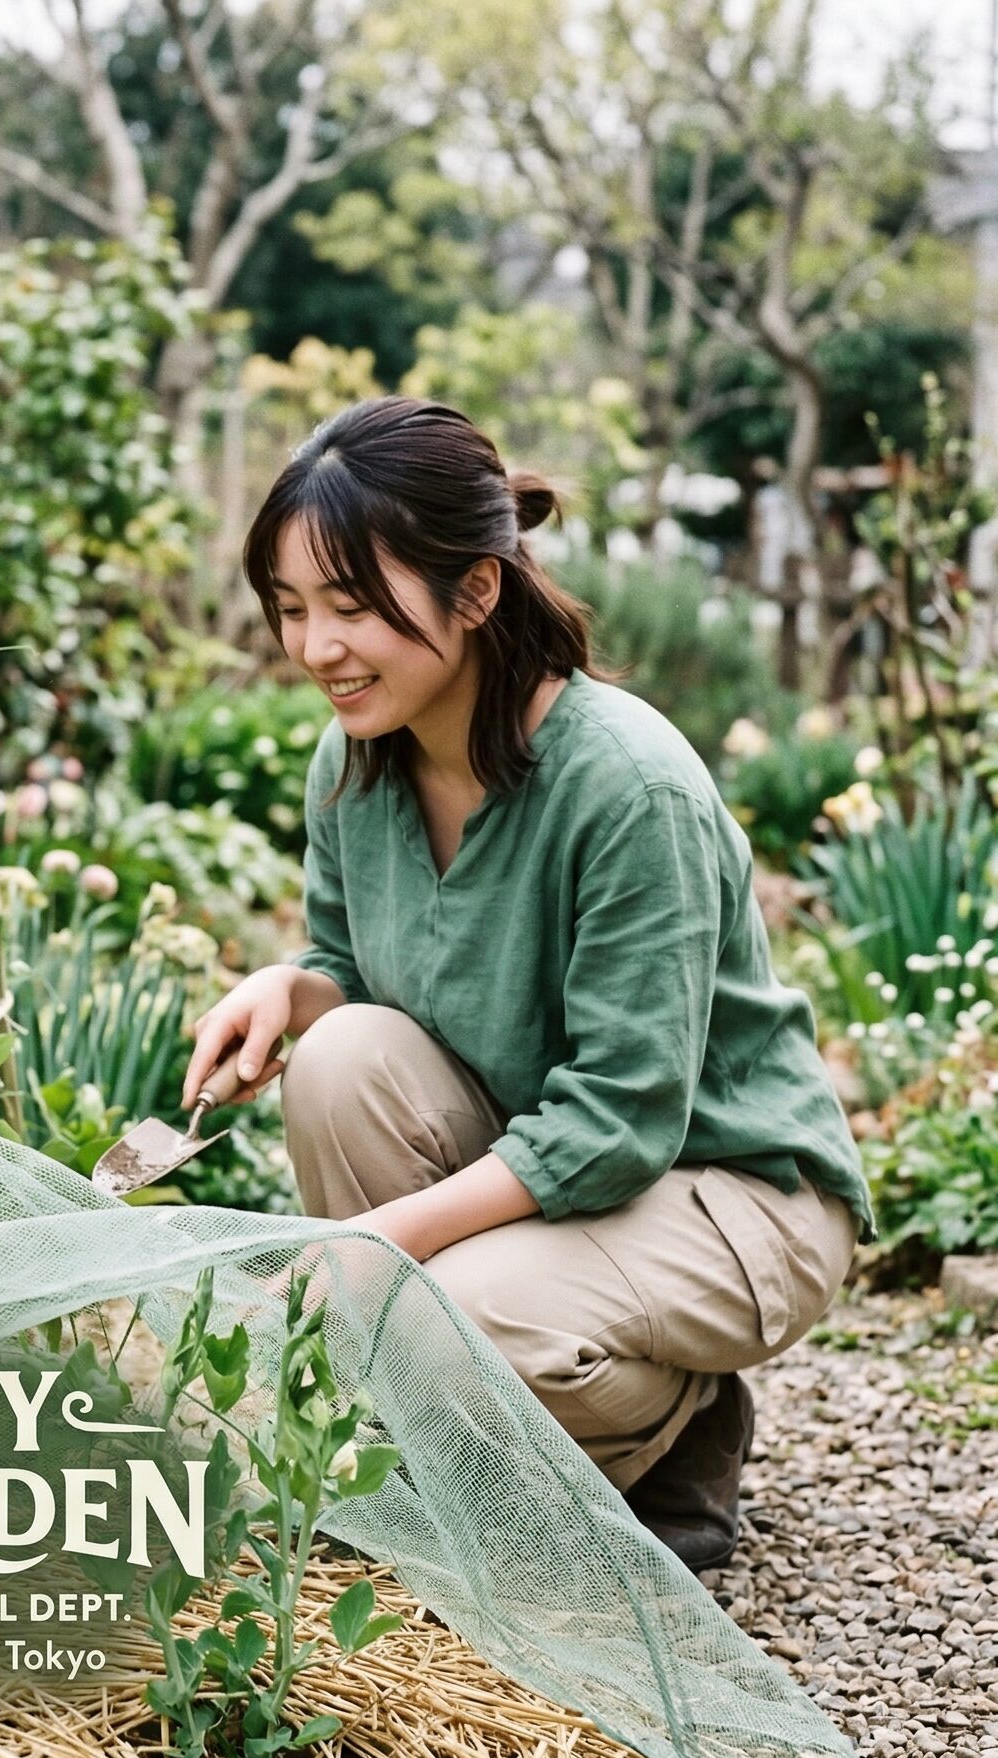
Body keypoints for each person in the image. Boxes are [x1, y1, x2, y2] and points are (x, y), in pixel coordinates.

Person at [181, 394, 873, 1571]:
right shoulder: (355, 758)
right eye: (291, 609)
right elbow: (351, 970)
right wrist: (288, 992)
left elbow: (617, 1115)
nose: (314, 649)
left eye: (350, 606)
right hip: (557, 1158)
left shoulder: (625, 786)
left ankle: (673, 1427)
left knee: (454, 1325)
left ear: (474, 590)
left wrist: (382, 1246)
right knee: (339, 1060)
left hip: (725, 1183)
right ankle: (487, 1421)